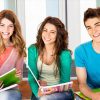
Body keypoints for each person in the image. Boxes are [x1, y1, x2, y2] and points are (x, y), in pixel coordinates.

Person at [28, 16, 74, 100]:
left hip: (62, 93)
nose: (47, 35)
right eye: (45, 30)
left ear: (58, 35)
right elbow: (32, 77)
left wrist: (51, 89)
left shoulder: (65, 54)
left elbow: (65, 82)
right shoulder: (32, 49)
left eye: (52, 32)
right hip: (41, 91)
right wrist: (38, 93)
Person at [75, 7, 100, 100]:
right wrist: (94, 96)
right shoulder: (80, 51)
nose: (94, 31)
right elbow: (82, 84)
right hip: (90, 93)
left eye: (97, 25)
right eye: (89, 28)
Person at [0, 9, 26, 100]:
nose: (6, 30)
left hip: (10, 91)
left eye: (10, 26)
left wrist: (18, 77)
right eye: (2, 25)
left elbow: (19, 79)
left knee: (6, 96)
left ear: (14, 28)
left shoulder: (18, 49)